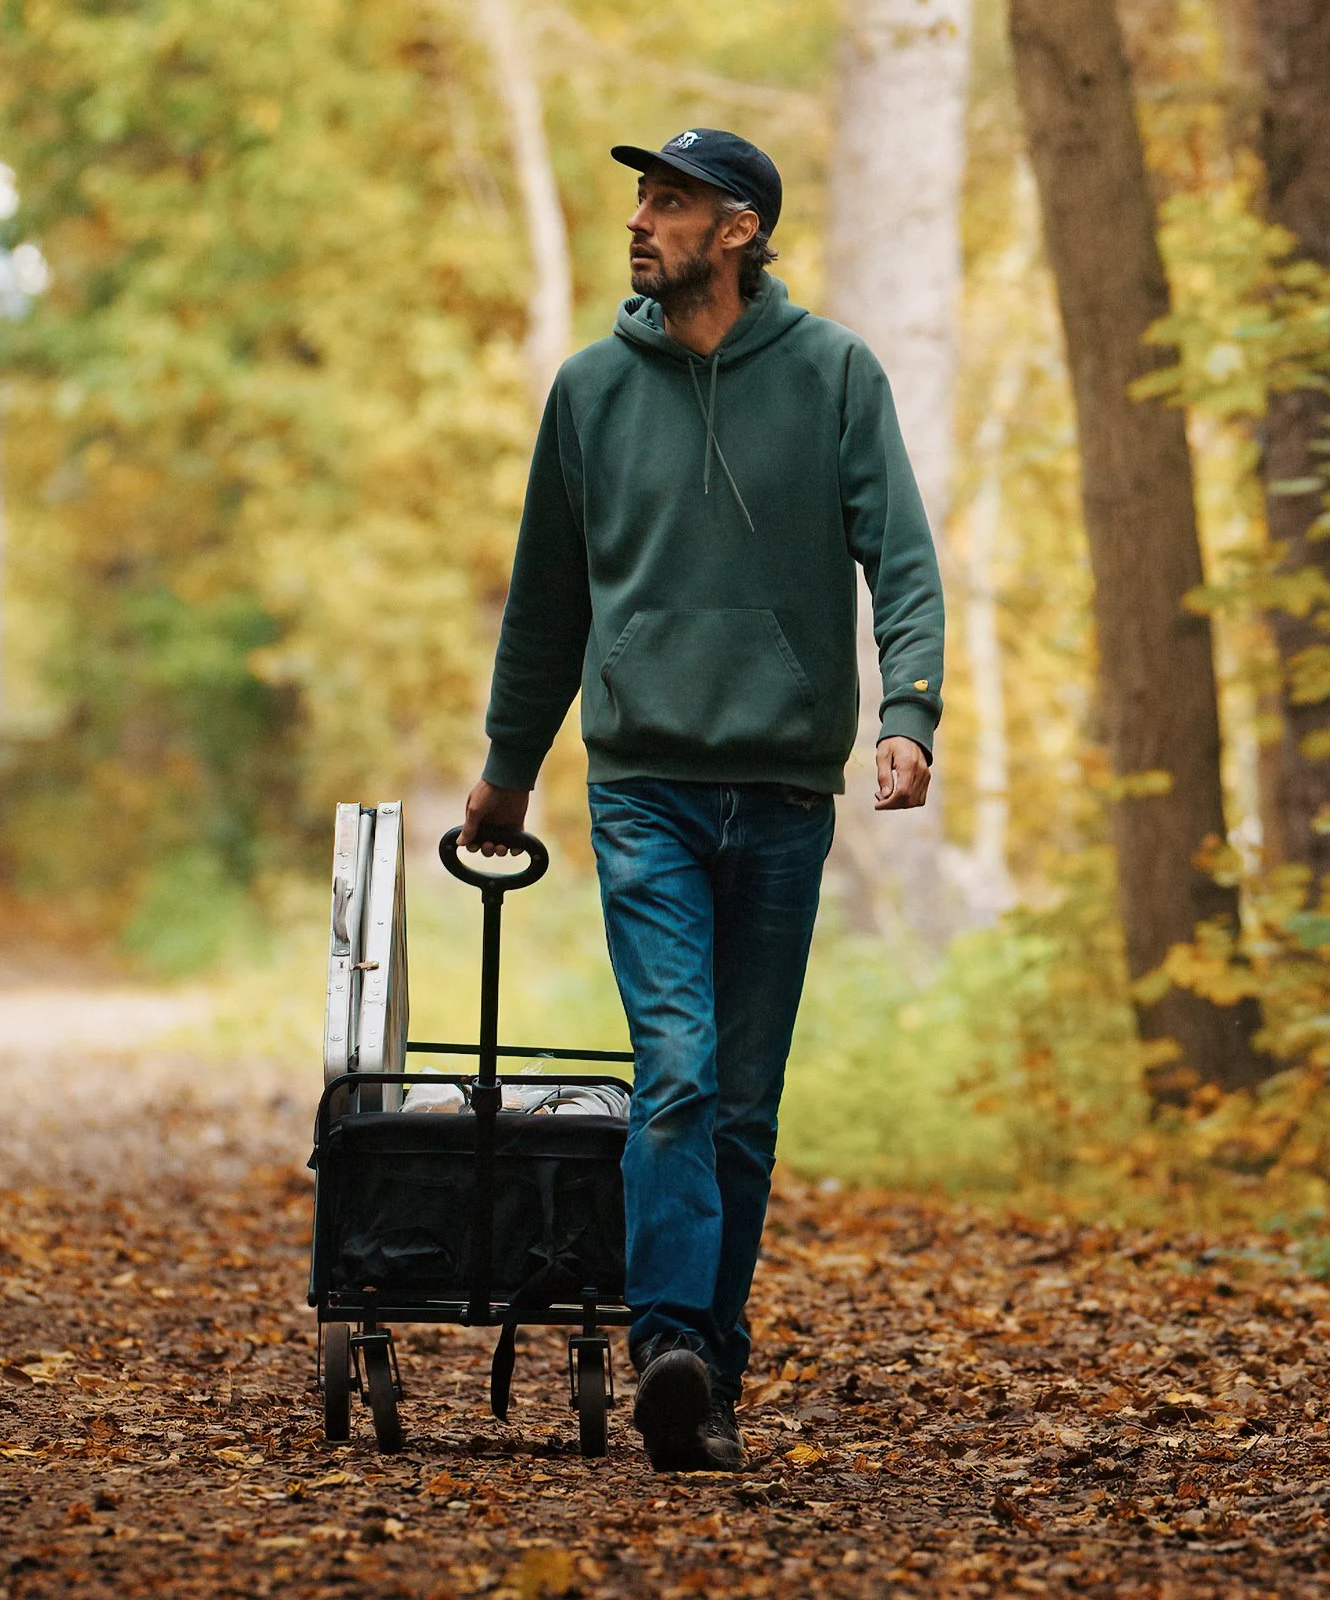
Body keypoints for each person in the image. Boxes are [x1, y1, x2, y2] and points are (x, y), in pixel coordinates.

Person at [459, 129, 944, 1473]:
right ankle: (670, 1340)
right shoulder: (590, 393)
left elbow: (902, 557)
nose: (640, 222)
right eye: (640, 199)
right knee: (675, 1071)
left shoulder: (837, 376)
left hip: (785, 792)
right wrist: (510, 771)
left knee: (740, 1103)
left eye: (669, 202)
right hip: (646, 789)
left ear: (737, 228)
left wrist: (909, 713)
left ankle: (706, 1381)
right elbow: (546, 603)